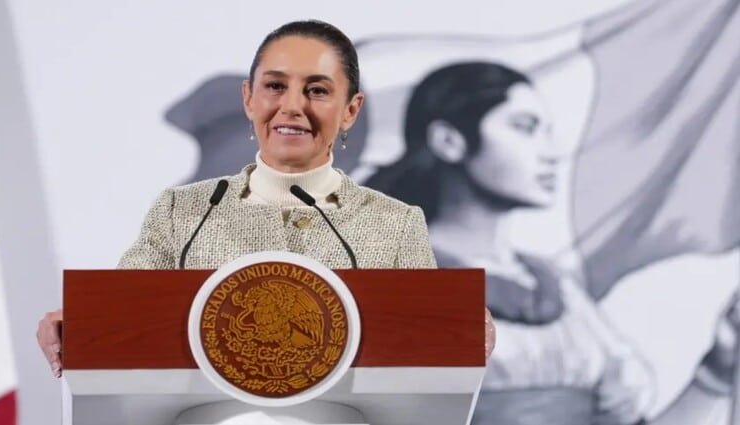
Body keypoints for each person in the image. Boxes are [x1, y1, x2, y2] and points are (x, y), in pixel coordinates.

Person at [36, 20, 496, 380]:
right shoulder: (183, 213)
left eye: (317, 90)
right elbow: (121, 317)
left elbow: (425, 345)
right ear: (249, 99)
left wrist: (462, 329)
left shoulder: (394, 223)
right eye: (275, 86)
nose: (291, 106)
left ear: (351, 110)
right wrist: (76, 324)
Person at [366, 61, 740, 425]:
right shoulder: (404, 279)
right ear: (449, 141)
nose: (552, 152)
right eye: (525, 127)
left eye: (548, 131)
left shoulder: (560, 289)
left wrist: (716, 372)